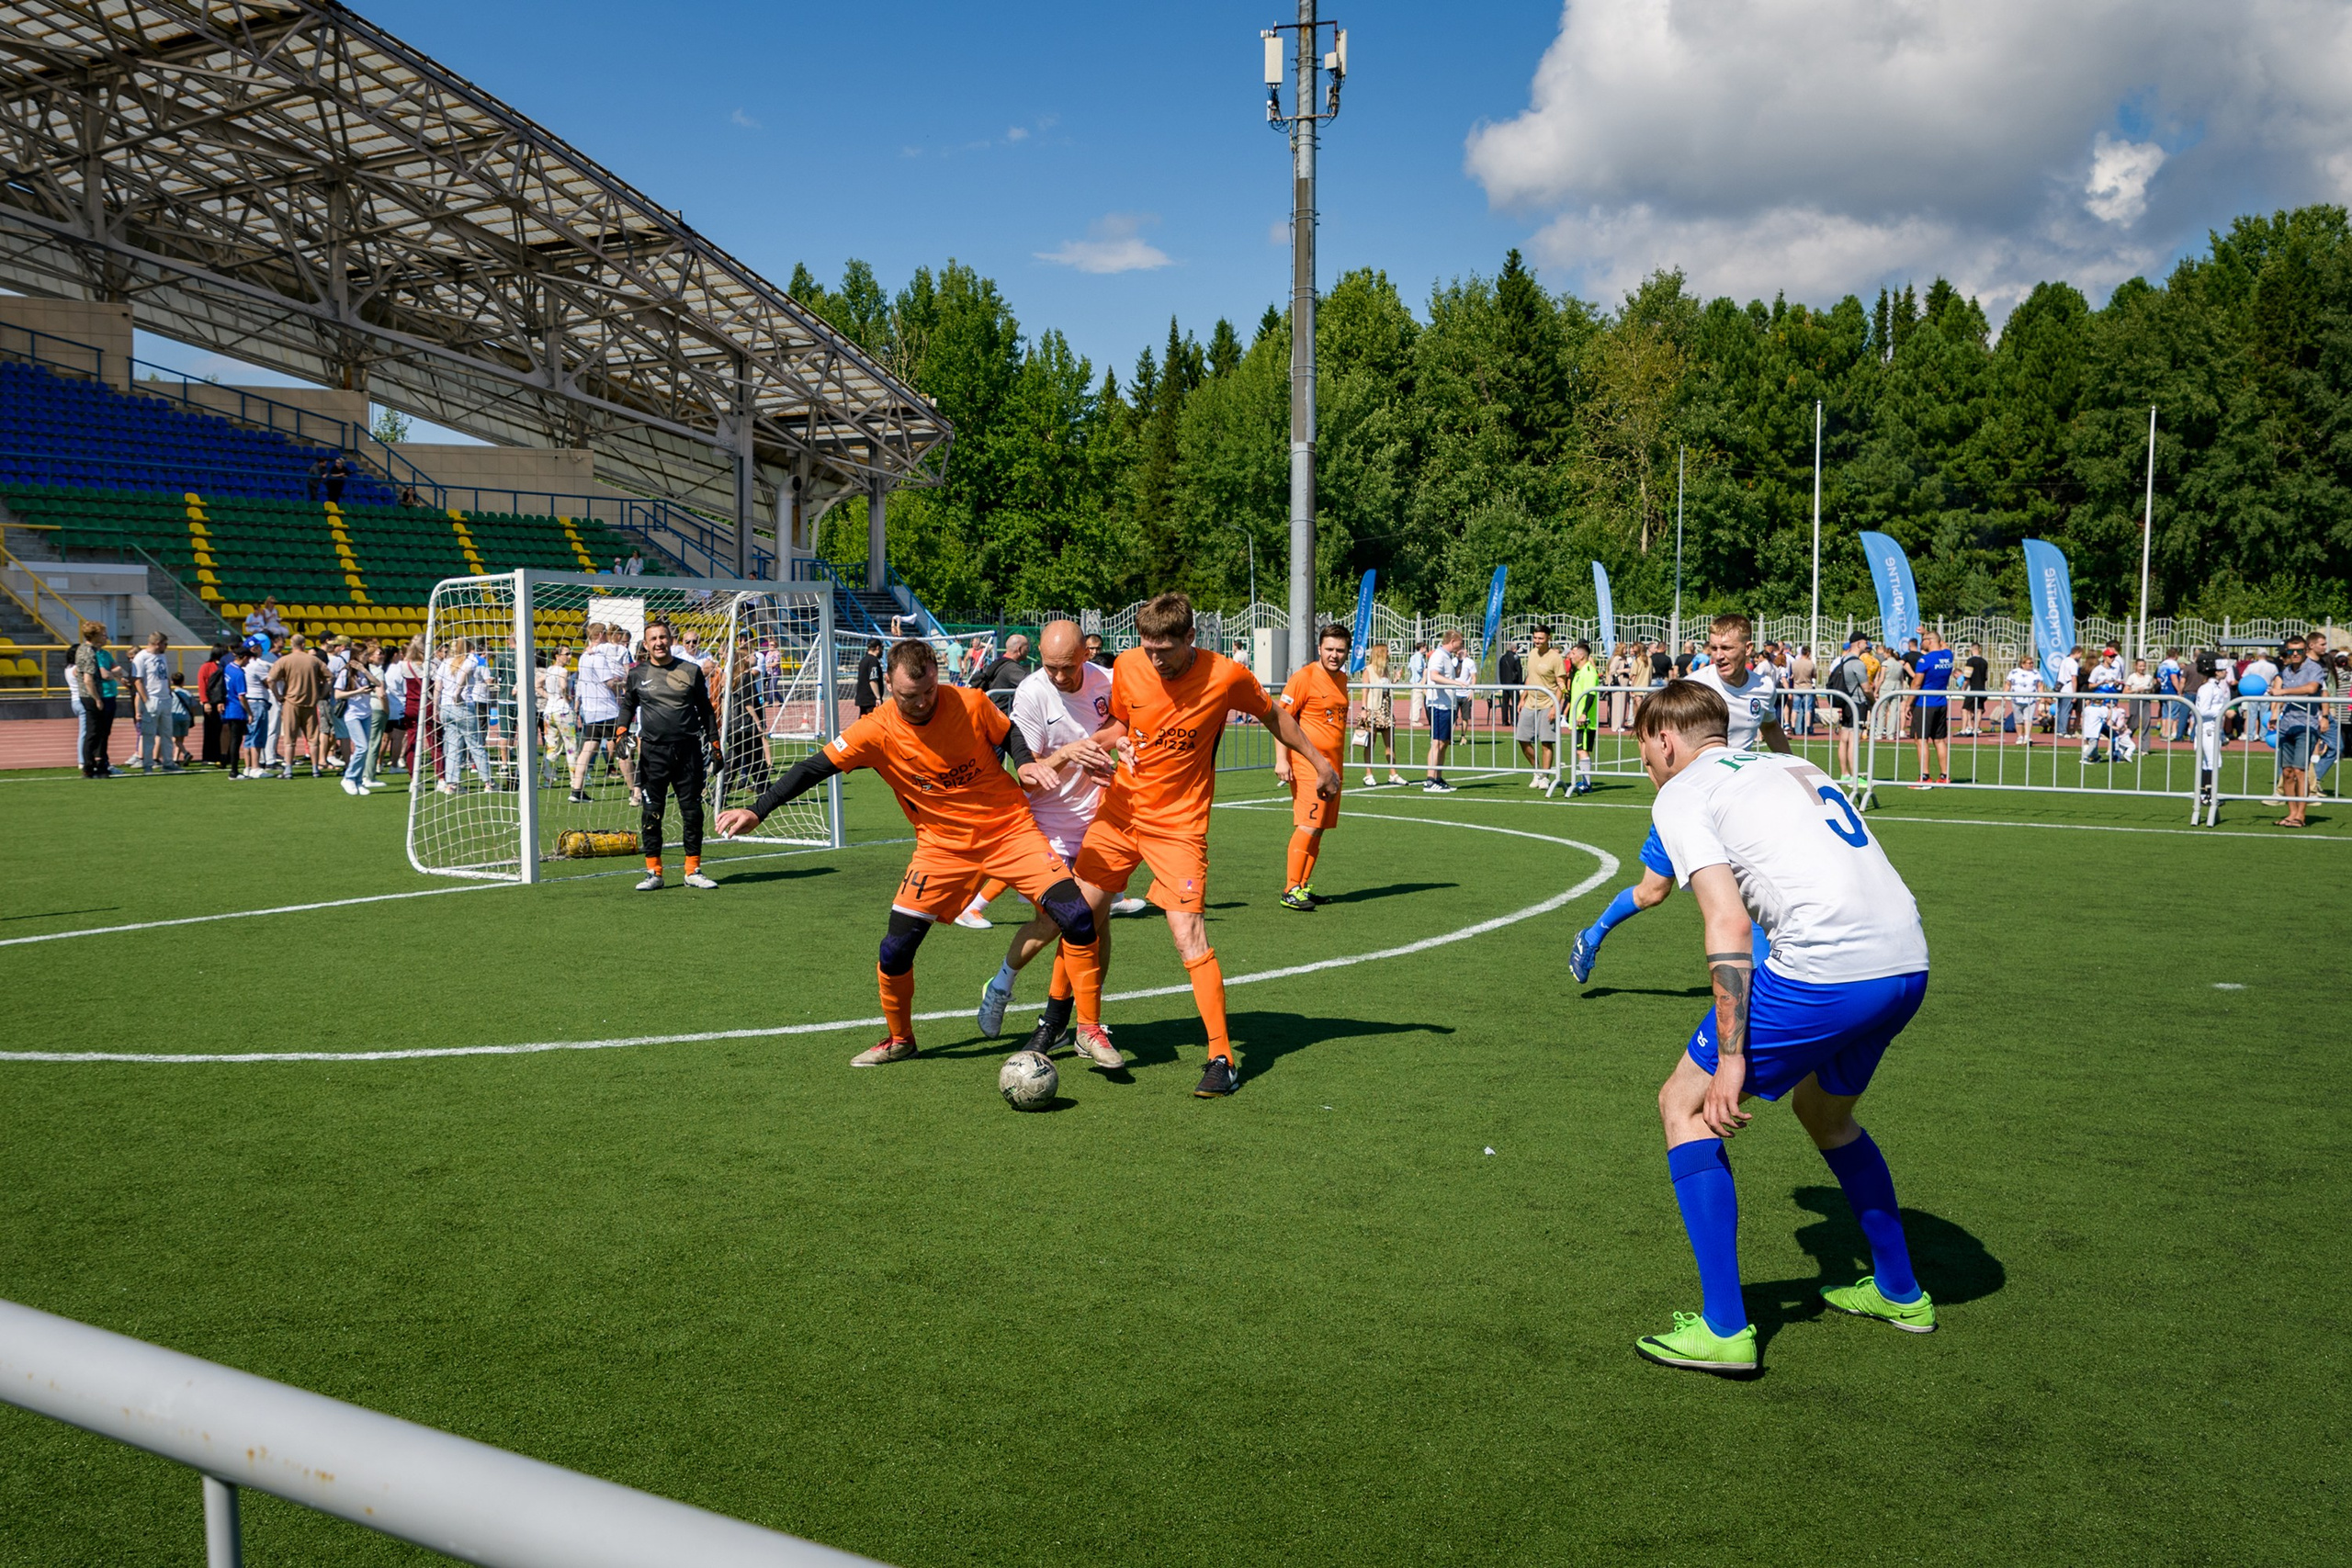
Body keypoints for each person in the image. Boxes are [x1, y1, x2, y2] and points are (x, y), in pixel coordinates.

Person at [1627, 681, 1934, 1374]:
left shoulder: (1680, 792)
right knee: (1825, 1114)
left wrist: (1730, 1054)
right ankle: (1899, 1289)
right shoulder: (1790, 762)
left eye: (1643, 748)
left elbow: (1729, 923)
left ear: (1665, 740)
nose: (1644, 763)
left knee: (1684, 1104)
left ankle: (1725, 1328)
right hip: (1907, 960)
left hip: (1828, 967)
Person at [717, 638, 1104, 1067]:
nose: (921, 703)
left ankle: (1087, 1029)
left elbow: (1008, 730)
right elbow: (813, 767)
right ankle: (900, 1039)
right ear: (888, 683)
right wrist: (758, 810)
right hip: (940, 848)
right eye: (909, 695)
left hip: (1009, 832)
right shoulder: (874, 730)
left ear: (938, 677)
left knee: (1078, 916)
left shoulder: (970, 702)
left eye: (929, 692)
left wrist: (1026, 761)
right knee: (895, 950)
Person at [1061, 592, 1340, 1097]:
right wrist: (1100, 745)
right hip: (1120, 812)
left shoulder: (1226, 675)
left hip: (1179, 826)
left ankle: (1222, 1057)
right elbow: (1120, 722)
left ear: (1191, 637)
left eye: (1166, 650)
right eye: (1148, 649)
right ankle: (1080, 1026)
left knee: (1188, 935)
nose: (1156, 660)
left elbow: (1275, 717)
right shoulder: (1128, 665)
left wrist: (1319, 763)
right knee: (1080, 915)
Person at [969, 620, 1136, 1065]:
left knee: (1096, 925)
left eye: (1068, 666)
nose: (1060, 676)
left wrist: (1110, 751)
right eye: (1050, 666)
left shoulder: (1108, 680)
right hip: (1048, 826)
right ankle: (1001, 984)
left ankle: (1084, 1024)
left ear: (1086, 653)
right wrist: (1069, 754)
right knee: (1056, 921)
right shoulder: (1031, 692)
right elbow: (1029, 776)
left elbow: (1124, 725)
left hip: (1101, 823)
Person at [616, 619, 718, 889]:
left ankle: (692, 870)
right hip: (653, 753)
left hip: (688, 751)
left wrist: (715, 744)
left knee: (692, 812)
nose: (659, 642)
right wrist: (621, 732)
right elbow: (628, 706)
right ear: (646, 644)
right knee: (651, 813)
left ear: (671, 640)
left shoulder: (691, 670)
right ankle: (654, 873)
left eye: (663, 637)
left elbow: (706, 709)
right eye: (653, 639)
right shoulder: (637, 674)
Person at [1273, 624, 1355, 911]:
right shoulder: (1304, 678)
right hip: (1308, 764)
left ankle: (1303, 885)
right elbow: (1280, 718)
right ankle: (1290, 889)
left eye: (1340, 650)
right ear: (1319, 648)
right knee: (1308, 824)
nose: (1334, 655)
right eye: (1329, 649)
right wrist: (1282, 759)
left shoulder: (1342, 679)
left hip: (1333, 766)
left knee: (1319, 827)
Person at [569, 621, 632, 802]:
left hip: (591, 710)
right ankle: (635, 790)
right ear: (599, 635)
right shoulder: (598, 657)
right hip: (607, 709)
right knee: (623, 748)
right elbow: (609, 683)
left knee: (588, 748)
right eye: (604, 633)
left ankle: (576, 791)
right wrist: (623, 682)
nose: (607, 636)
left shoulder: (584, 657)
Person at [2273, 635, 2326, 828]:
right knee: (2287, 772)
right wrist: (2274, 714)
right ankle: (2291, 813)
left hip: (2306, 725)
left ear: (2306, 650)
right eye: (2291, 651)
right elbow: (2277, 693)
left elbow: (2312, 688)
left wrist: (2283, 692)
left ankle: (2300, 816)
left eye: (2299, 650)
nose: (2295, 654)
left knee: (2300, 771)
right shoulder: (2286, 671)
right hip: (2286, 724)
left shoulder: (2314, 668)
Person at [434, 637, 495, 792]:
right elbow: (466, 672)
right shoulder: (470, 660)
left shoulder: (445, 663)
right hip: (463, 706)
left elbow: (438, 686)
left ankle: (451, 784)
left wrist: (436, 708)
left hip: (446, 707)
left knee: (453, 747)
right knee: (475, 745)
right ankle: (488, 782)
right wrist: (458, 692)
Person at [267, 635, 329, 779]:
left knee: (290, 740)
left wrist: (278, 696)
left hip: (291, 702)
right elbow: (329, 677)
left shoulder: (284, 660)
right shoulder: (314, 660)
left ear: (292, 644)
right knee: (313, 739)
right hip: (310, 703)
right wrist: (322, 694)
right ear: (303, 644)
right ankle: (315, 769)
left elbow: (270, 680)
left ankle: (288, 770)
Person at [1421, 628, 1472, 793]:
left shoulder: (1447, 656)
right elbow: (1434, 676)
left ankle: (1438, 777)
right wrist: (1455, 683)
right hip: (1438, 704)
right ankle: (1430, 780)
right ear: (1452, 641)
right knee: (1437, 742)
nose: (1461, 646)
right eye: (1460, 643)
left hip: (1447, 705)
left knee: (1444, 743)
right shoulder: (1438, 655)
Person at [1516, 626, 1566, 788]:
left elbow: (1561, 684)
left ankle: (1545, 776)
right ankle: (1537, 770)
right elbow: (1530, 677)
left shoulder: (1555, 658)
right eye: (1535, 638)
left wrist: (1555, 707)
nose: (1537, 641)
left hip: (1548, 703)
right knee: (1522, 739)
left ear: (1548, 638)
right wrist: (1523, 698)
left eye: (1541, 638)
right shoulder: (1531, 653)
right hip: (1531, 702)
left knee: (1546, 742)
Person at [1905, 629, 1955, 788]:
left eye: (1924, 640)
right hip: (1941, 702)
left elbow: (1916, 683)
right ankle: (1944, 775)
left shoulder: (1925, 660)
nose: (1921, 643)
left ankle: (1925, 776)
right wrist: (1927, 633)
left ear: (1930, 641)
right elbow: (1944, 644)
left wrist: (1909, 703)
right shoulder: (1948, 655)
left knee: (1921, 740)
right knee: (1939, 740)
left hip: (1925, 703)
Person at [132, 632, 183, 774]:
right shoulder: (141, 657)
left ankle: (168, 762)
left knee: (167, 734)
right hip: (152, 698)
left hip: (165, 698)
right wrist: (146, 700)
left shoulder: (162, 656)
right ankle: (148, 764)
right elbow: (138, 681)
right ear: (157, 643)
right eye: (165, 644)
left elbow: (164, 677)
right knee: (149, 734)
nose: (166, 647)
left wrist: (168, 692)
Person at [334, 642, 379, 795]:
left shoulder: (365, 671)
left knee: (365, 749)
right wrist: (358, 691)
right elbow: (338, 694)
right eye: (364, 655)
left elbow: (378, 683)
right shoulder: (346, 672)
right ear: (357, 655)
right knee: (362, 747)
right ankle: (348, 777)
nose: (367, 658)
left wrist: (364, 670)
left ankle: (358, 781)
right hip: (352, 714)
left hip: (366, 713)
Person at [1359, 641, 1404, 785]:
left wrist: (1395, 680)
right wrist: (1364, 709)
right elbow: (1365, 691)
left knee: (1390, 743)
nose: (1389, 654)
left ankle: (1393, 774)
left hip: (1386, 709)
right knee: (1370, 743)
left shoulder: (1385, 670)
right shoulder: (1368, 670)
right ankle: (1368, 774)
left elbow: (1386, 688)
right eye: (1386, 651)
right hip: (1373, 709)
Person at [1565, 639, 1601, 791]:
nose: (1570, 656)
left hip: (1584, 721)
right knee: (1579, 749)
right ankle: (1583, 782)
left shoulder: (1588, 672)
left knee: (1582, 750)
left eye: (1573, 653)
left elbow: (1591, 694)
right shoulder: (1579, 672)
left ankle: (1586, 784)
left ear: (1581, 656)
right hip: (1577, 719)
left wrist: (1584, 714)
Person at [220, 645, 251, 778]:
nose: (248, 662)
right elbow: (241, 696)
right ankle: (234, 771)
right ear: (244, 658)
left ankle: (233, 769)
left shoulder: (228, 668)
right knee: (236, 741)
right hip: (237, 710)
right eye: (248, 659)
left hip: (229, 708)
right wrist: (249, 712)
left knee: (234, 739)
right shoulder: (239, 673)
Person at [197, 642, 227, 767]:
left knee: (224, 731)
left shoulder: (226, 666)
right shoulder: (206, 667)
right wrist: (205, 702)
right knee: (210, 731)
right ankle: (209, 756)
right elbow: (202, 685)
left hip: (223, 702)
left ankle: (223, 755)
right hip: (211, 702)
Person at [2003, 655, 2043, 745]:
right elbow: (2008, 684)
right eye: (2029, 663)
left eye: (2032, 663)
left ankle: (2027, 736)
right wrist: (2004, 694)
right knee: (2018, 719)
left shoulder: (2036, 673)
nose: (2031, 665)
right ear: (2022, 664)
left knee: (2028, 719)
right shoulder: (2014, 672)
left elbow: (2040, 685)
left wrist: (2042, 697)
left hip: (2030, 700)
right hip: (2016, 699)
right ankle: (2020, 736)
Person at [1960, 643, 1990, 736]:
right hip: (1982, 688)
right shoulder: (1984, 662)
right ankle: (1976, 729)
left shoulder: (1970, 661)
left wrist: (1963, 688)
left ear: (1971, 649)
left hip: (1972, 689)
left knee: (1965, 709)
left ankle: (1964, 729)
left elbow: (1967, 677)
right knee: (1979, 710)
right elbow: (1986, 677)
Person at [1496, 639, 1523, 726]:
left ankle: (1504, 720)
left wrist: (1502, 682)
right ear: (1514, 648)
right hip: (1513, 683)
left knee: (1505, 703)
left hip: (1505, 683)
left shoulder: (1502, 658)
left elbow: (1500, 671)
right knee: (1515, 702)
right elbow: (1519, 670)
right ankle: (1514, 720)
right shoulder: (1515, 657)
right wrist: (1520, 682)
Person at [854, 639, 884, 716]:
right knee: (874, 720)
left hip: (863, 698)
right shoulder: (873, 661)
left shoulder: (863, 660)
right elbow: (873, 680)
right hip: (870, 699)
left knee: (864, 720)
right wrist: (878, 697)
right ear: (878, 648)